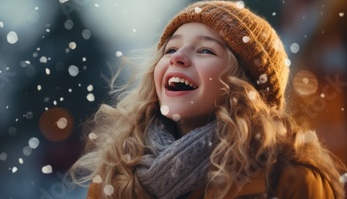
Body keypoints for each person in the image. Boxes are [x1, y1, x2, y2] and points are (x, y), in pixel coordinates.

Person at [70, 1, 346, 198]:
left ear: (246, 86)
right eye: (171, 48)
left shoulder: (290, 180)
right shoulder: (115, 179)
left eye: (205, 50)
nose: (177, 57)